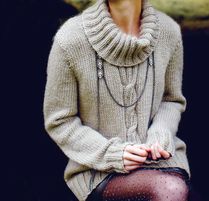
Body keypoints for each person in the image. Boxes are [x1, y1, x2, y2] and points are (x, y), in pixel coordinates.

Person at [43, 0, 191, 200]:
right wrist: (111, 153)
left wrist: (160, 134)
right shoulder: (70, 39)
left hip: (163, 163)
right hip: (98, 170)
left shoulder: (169, 32)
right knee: (170, 190)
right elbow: (60, 121)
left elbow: (171, 100)